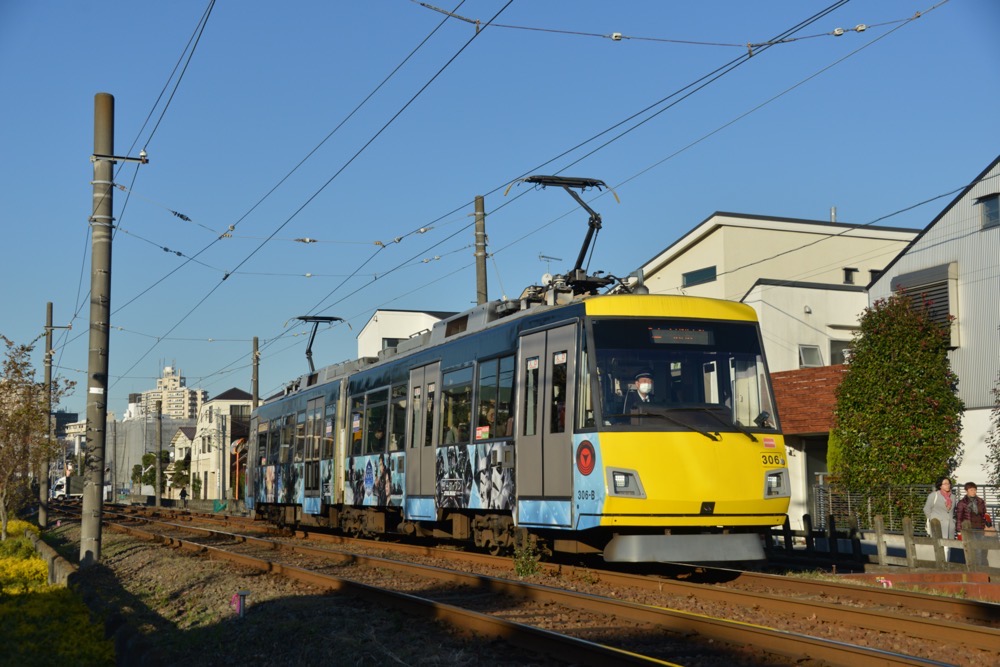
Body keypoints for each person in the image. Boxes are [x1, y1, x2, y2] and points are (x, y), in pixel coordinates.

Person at [955, 482, 993, 566]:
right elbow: (959, 518)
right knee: (973, 549)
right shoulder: (962, 503)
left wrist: (987, 520)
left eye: (975, 490)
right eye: (971, 490)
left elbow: (984, 513)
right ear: (966, 491)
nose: (973, 491)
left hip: (980, 528)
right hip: (969, 529)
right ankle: (974, 567)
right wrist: (959, 531)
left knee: (981, 549)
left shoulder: (980, 501)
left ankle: (980, 567)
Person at [923, 477, 956, 558]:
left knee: (948, 547)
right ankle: (942, 566)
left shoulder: (953, 497)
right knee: (942, 547)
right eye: (945, 484)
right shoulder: (934, 495)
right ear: (940, 486)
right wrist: (933, 520)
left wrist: (954, 521)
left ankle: (946, 565)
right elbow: (926, 509)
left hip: (950, 526)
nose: (947, 485)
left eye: (948, 483)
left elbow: (953, 511)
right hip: (938, 526)